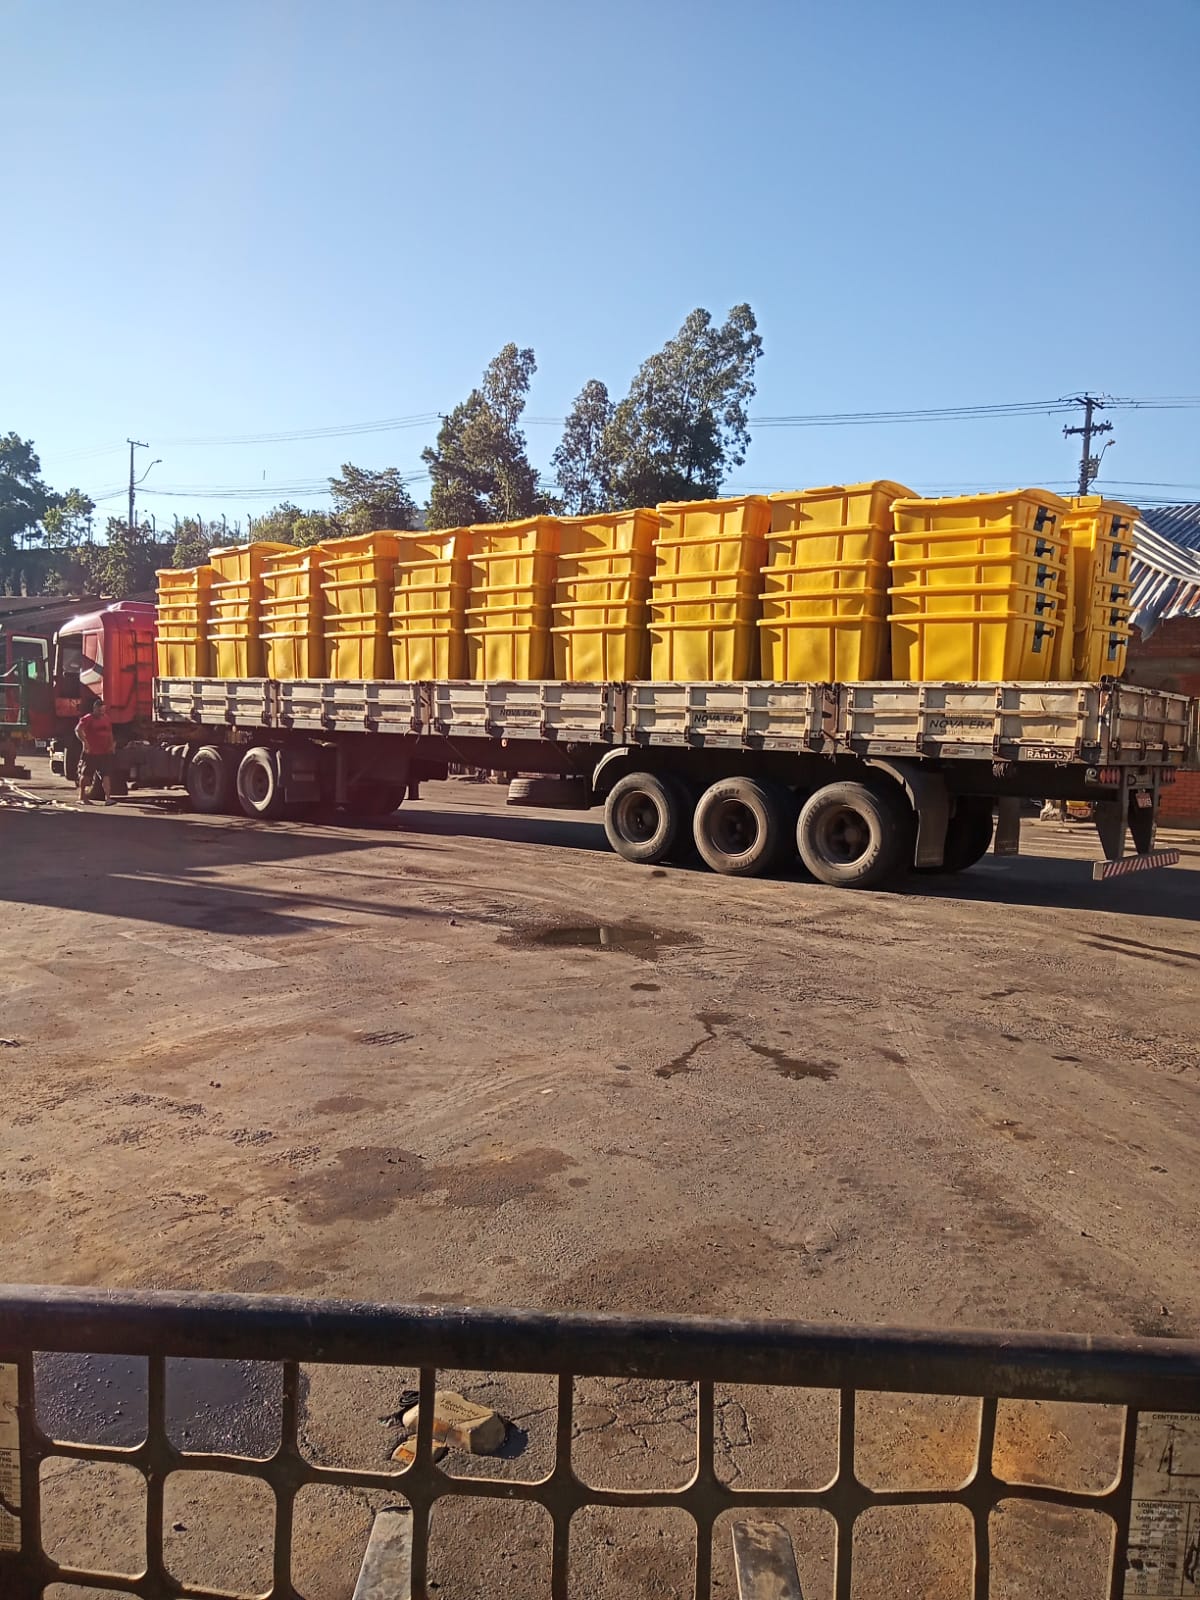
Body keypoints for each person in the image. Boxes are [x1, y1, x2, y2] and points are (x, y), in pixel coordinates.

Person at [75, 697, 116, 806]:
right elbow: (78, 730)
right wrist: (84, 742)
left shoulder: (106, 718)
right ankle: (82, 796)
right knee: (86, 775)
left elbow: (110, 732)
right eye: (99, 710)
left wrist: (111, 745)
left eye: (103, 710)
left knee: (106, 775)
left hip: (104, 752)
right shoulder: (88, 718)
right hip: (91, 752)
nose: (101, 712)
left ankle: (108, 798)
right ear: (94, 708)